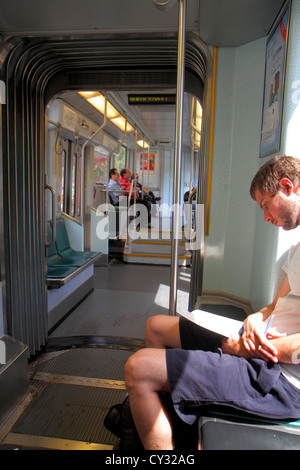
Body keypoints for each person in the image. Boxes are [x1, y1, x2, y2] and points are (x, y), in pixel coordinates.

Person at [124, 155, 300, 450]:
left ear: (287, 187)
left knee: (138, 368)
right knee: (156, 327)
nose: (267, 218)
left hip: (282, 380)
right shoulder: (297, 249)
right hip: (263, 347)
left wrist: (249, 351)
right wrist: (255, 320)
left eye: (266, 205)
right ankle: (173, 424)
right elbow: (274, 305)